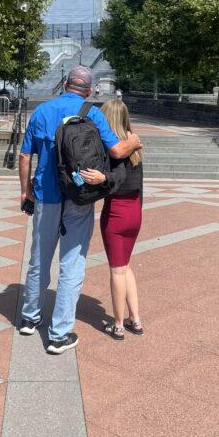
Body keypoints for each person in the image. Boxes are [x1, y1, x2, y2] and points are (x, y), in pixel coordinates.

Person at [18, 66, 142, 355]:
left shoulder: (42, 111)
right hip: (79, 195)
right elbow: (116, 152)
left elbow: (25, 155)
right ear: (89, 89)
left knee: (39, 257)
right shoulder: (92, 113)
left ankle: (29, 317)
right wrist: (133, 142)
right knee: (72, 263)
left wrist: (25, 192)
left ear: (64, 84)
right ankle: (59, 334)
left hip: (46, 195)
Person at [81, 99, 143, 340]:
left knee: (116, 270)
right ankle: (135, 319)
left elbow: (112, 176)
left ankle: (118, 324)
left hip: (116, 212)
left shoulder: (111, 147)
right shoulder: (135, 143)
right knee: (126, 266)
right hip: (135, 210)